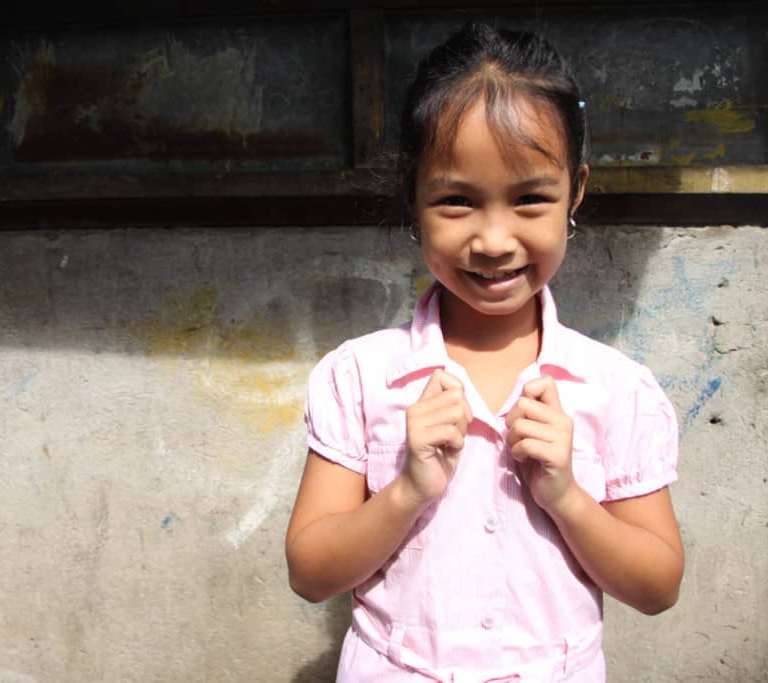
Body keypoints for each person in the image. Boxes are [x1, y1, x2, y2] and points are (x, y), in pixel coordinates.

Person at [285, 23, 684, 682]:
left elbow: (658, 583)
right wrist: (407, 489)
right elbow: (309, 570)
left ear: (574, 191)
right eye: (457, 200)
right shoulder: (359, 376)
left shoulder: (619, 389)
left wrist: (568, 496)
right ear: (412, 197)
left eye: (530, 198)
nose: (494, 239)